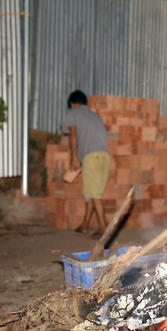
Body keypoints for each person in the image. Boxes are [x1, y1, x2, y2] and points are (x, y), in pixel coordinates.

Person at [63, 90, 111, 238]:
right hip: (105, 157)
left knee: (94, 193)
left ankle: (104, 229)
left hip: (92, 157)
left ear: (72, 103)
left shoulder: (73, 113)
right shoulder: (95, 116)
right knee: (92, 192)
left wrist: (73, 159)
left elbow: (72, 135)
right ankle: (85, 225)